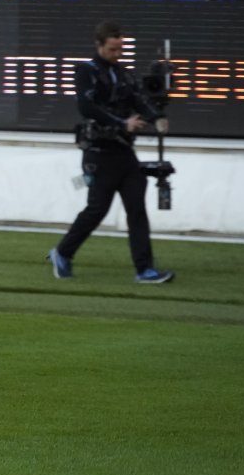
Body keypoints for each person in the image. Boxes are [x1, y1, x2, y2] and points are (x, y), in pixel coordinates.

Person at [49, 21, 174, 285]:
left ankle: (145, 269)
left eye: (120, 49)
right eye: (112, 49)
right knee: (97, 210)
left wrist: (156, 117)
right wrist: (121, 123)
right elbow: (87, 107)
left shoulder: (124, 74)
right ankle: (63, 253)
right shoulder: (87, 71)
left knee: (136, 209)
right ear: (99, 45)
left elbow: (139, 99)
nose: (117, 54)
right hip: (98, 154)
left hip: (124, 153)